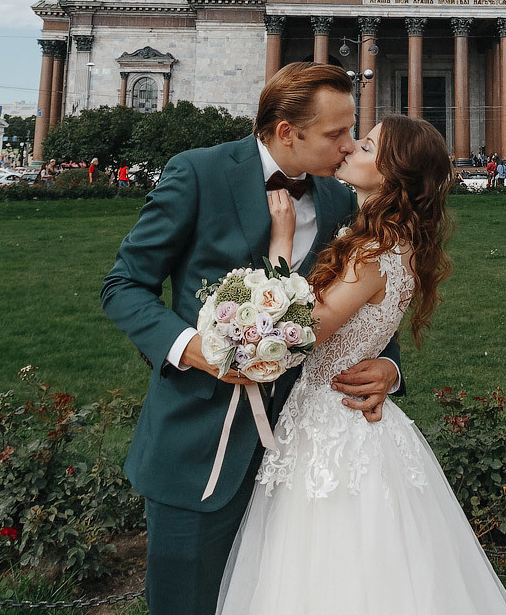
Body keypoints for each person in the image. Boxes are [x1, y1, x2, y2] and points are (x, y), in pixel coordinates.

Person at [101, 63, 404, 615]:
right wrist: (192, 348)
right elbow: (124, 285)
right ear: (288, 131)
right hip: (198, 445)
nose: (349, 145)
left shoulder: (340, 199)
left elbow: (365, 299)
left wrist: (389, 367)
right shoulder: (198, 173)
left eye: (352, 130)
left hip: (302, 459)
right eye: (336, 133)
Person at [217, 114, 506, 614]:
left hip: (332, 426)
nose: (351, 146)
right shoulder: (394, 242)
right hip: (345, 415)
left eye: (369, 146)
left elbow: (300, 333)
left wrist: (281, 244)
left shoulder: (374, 252)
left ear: (393, 174)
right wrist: (389, 369)